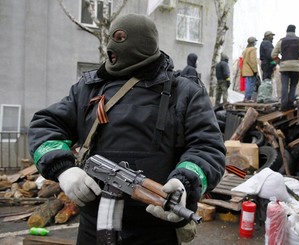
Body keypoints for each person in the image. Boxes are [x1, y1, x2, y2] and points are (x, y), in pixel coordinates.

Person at [28, 13, 225, 245]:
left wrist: (185, 182)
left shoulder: (185, 92)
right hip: (95, 225)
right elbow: (45, 125)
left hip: (157, 227)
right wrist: (63, 169)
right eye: (112, 38)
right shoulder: (88, 89)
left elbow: (207, 147)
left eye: (121, 39)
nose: (113, 48)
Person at [271, 24, 299, 111]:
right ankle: (290, 104)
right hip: (296, 66)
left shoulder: (281, 41)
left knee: (284, 85)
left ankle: (284, 105)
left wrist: (279, 62)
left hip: (284, 66)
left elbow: (273, 54)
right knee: (293, 85)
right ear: (294, 31)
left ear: (286, 31)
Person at [258, 31, 276, 102]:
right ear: (268, 36)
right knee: (267, 80)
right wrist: (273, 63)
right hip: (267, 63)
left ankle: (263, 97)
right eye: (271, 36)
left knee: (265, 79)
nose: (273, 37)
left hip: (265, 63)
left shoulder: (264, 43)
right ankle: (266, 97)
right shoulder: (267, 43)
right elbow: (270, 55)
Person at [241, 36, 259, 102]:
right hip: (250, 70)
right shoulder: (253, 49)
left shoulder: (245, 50)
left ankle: (246, 97)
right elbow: (253, 61)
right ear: (253, 42)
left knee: (247, 84)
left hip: (245, 70)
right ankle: (248, 98)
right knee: (251, 84)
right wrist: (255, 70)